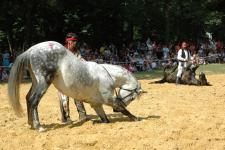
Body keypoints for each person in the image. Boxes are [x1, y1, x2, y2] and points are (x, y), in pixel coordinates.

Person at [58, 32, 88, 123]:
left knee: (78, 95)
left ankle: (82, 115)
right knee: (64, 98)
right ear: (68, 41)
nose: (75, 43)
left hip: (74, 79)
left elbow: (81, 60)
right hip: (62, 79)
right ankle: (65, 117)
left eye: (76, 41)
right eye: (73, 41)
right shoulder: (61, 51)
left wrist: (88, 65)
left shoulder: (76, 51)